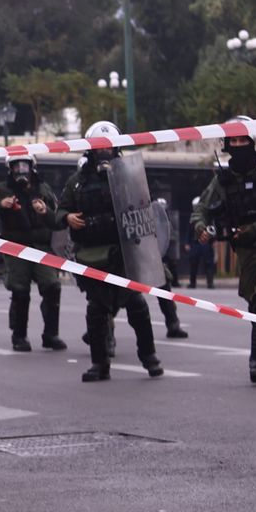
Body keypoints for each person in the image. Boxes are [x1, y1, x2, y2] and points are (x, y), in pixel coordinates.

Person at [59, 121, 164, 383]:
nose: (104, 151)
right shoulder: (77, 183)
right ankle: (100, 364)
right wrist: (68, 217)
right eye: (99, 147)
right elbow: (59, 212)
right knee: (96, 310)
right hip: (92, 255)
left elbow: (143, 208)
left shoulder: (128, 175)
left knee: (136, 306)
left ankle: (149, 357)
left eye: (109, 147)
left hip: (123, 254)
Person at [193, 119, 256, 383]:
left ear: (253, 142)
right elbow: (200, 209)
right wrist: (201, 228)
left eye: (242, 141)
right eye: (233, 141)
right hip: (246, 252)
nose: (238, 145)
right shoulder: (223, 180)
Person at [0, 154, 65, 351]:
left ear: (32, 167)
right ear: (10, 169)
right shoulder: (2, 189)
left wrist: (44, 211)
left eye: (25, 166)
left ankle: (51, 335)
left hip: (41, 247)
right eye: (16, 166)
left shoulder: (43, 188)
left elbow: (57, 219)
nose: (21, 170)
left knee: (52, 286)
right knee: (20, 290)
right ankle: (19, 336)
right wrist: (1, 204)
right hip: (16, 247)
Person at [152, 198, 189, 339]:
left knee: (163, 282)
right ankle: (105, 332)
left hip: (144, 247)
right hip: (121, 248)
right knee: (115, 290)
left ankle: (173, 324)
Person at [186, 196, 216, 289]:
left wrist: (213, 241)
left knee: (208, 263)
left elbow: (212, 230)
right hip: (195, 243)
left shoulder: (208, 217)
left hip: (206, 243)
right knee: (193, 263)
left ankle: (210, 283)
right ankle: (192, 283)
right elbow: (189, 231)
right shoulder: (193, 218)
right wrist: (187, 243)